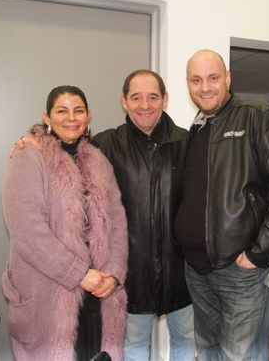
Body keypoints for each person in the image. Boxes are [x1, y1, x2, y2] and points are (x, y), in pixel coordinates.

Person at [175, 49, 269, 360]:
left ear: (228, 78)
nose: (204, 87)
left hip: (241, 272)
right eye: (196, 80)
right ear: (188, 83)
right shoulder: (198, 127)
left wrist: (258, 253)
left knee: (239, 356)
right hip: (198, 270)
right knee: (207, 351)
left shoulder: (258, 117)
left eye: (213, 78)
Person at [2, 85, 128, 361]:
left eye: (78, 111)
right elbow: (27, 231)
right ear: (46, 117)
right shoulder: (28, 156)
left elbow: (118, 220)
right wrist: (78, 273)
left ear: (88, 116)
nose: (71, 118)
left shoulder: (99, 160)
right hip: (48, 294)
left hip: (98, 294)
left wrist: (114, 273)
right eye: (62, 111)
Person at [91, 70, 195, 360]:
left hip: (182, 272)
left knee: (186, 340)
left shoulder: (188, 143)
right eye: (136, 97)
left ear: (165, 99)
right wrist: (35, 137)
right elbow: (65, 152)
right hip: (131, 272)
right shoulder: (106, 144)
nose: (145, 105)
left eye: (153, 97)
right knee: (134, 344)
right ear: (124, 101)